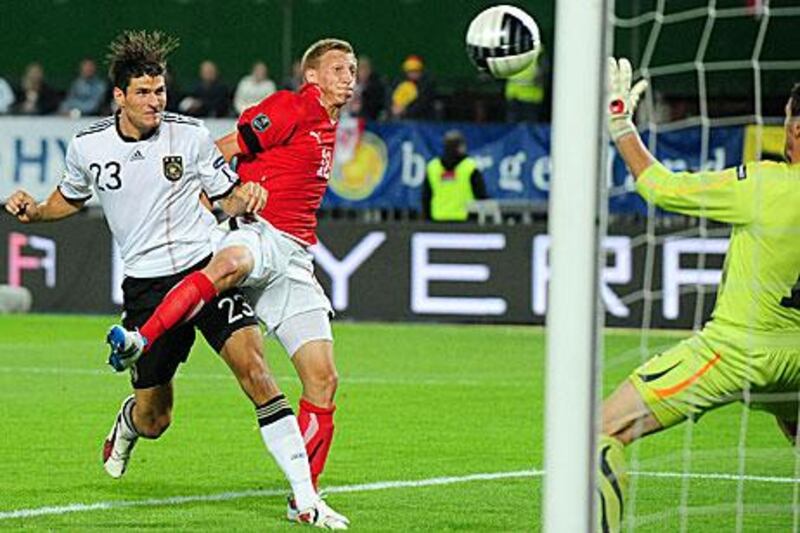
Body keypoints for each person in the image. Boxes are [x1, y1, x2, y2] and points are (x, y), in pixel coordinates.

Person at [4, 30, 345, 529]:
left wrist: (243, 197)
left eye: (159, 91)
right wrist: (34, 212)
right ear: (119, 96)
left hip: (204, 267)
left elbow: (224, 196)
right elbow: (71, 198)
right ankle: (128, 423)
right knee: (156, 418)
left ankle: (305, 498)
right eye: (142, 93)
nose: (154, 101)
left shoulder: (189, 134)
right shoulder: (89, 145)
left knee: (258, 374)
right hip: (147, 286)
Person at [105, 36, 356, 528]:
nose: (350, 76)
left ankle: (303, 498)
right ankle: (140, 339)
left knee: (323, 380)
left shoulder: (328, 121)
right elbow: (222, 150)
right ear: (312, 77)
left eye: (352, 69)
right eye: (339, 69)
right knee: (231, 264)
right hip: (255, 233)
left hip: (294, 259)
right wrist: (205, 202)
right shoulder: (289, 107)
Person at [598, 58, 800, 532]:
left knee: (595, 436)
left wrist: (620, 123)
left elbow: (660, 186)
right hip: (797, 364)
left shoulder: (765, 184)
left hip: (737, 352)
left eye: (787, 120)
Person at [422, 129, 487, 221]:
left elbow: (426, 197)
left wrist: (427, 220)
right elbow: (481, 196)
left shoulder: (433, 167)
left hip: (437, 220)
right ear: (460, 147)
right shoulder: (470, 167)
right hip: (466, 222)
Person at [390, 54, 435, 120]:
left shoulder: (427, 84)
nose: (413, 74)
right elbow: (390, 99)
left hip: (421, 120)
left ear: (421, 71)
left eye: (416, 71)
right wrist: (393, 108)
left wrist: (405, 111)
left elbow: (423, 104)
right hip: (399, 119)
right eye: (410, 71)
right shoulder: (398, 82)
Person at [345, 56, 386, 121]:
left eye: (366, 69)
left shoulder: (376, 87)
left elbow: (375, 107)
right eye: (361, 69)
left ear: (370, 70)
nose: (363, 72)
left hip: (368, 121)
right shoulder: (349, 85)